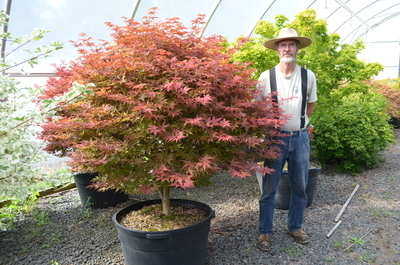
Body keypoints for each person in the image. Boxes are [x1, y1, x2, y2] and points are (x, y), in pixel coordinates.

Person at [256, 28, 317, 251]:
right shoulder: (266, 76)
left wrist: (303, 121)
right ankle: (265, 232)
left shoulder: (307, 75)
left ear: (297, 48)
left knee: (300, 187)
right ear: (277, 49)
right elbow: (257, 108)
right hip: (275, 139)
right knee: (269, 189)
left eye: (291, 44)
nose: (287, 49)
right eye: (283, 45)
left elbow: (311, 103)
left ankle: (295, 226)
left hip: (300, 138)